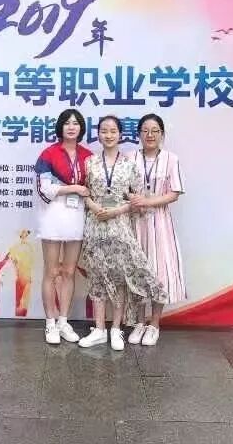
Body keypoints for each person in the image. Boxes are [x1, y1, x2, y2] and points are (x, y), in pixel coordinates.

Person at [78, 115, 167, 351]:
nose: (108, 135)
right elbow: (85, 193)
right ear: (98, 134)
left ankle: (116, 329)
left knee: (118, 278)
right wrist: (94, 207)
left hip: (120, 226)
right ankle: (99, 330)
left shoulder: (129, 165)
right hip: (95, 226)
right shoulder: (89, 162)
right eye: (104, 131)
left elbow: (138, 200)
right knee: (97, 276)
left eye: (113, 131)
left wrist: (117, 210)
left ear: (120, 135)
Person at [127, 113, 186, 346]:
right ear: (139, 134)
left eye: (155, 131)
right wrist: (133, 199)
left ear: (162, 134)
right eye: (145, 131)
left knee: (160, 271)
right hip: (135, 222)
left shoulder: (171, 159)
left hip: (160, 223)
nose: (150, 135)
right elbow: (122, 187)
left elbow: (175, 193)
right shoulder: (130, 158)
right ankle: (139, 323)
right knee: (138, 271)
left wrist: (148, 201)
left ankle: (154, 324)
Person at [34, 109, 93, 344]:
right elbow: (44, 189)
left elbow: (93, 187)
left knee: (69, 272)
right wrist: (74, 188)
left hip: (77, 217)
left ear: (81, 128)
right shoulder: (48, 154)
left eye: (76, 123)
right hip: (52, 217)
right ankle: (50, 323)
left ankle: (63, 321)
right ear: (61, 126)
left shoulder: (88, 156)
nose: (71, 127)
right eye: (67, 123)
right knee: (51, 272)